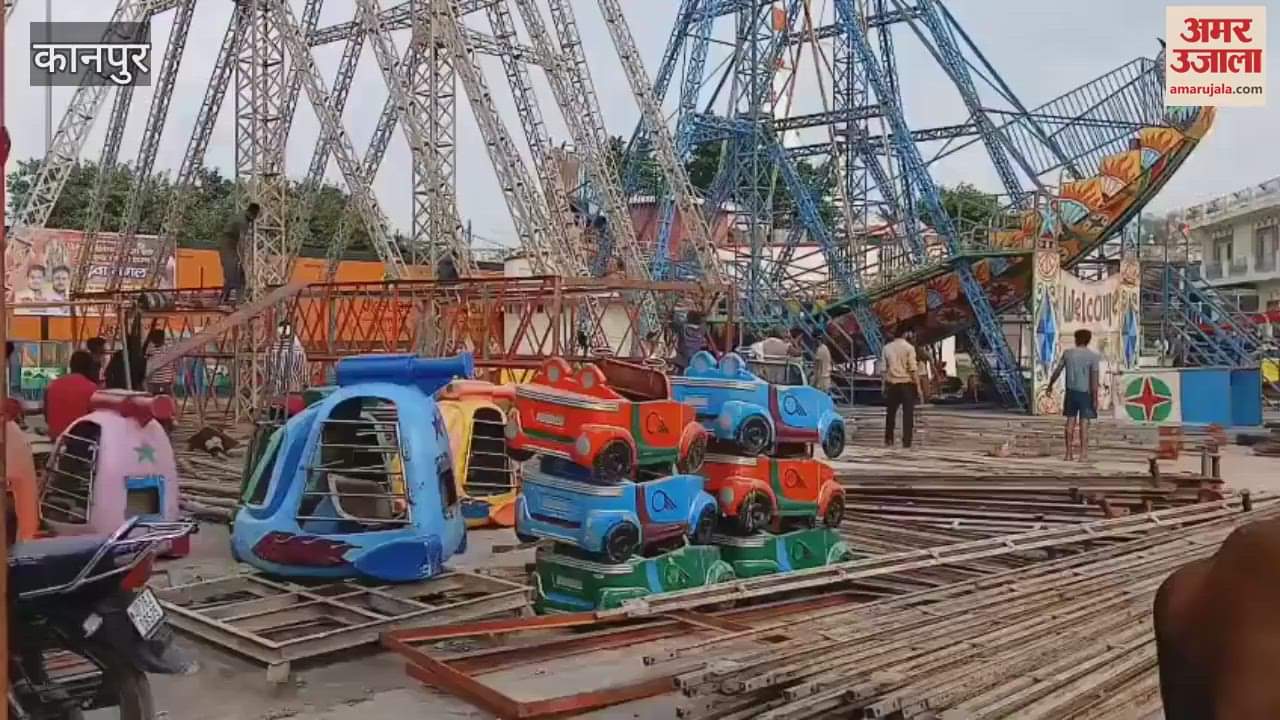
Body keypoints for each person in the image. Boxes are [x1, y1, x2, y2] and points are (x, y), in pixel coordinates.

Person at [1047, 328, 1101, 462]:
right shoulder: (1093, 356)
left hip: (1070, 392)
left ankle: (1068, 453)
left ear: (1076, 339)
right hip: (1085, 394)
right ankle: (1083, 455)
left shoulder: (1067, 354)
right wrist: (1095, 398)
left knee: (1070, 422)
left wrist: (1050, 384)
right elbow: (1094, 380)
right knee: (1084, 423)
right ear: (1088, 340)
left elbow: (1057, 371)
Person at [881, 328, 923, 448]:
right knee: (908, 415)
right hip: (907, 385)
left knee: (890, 414)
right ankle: (907, 441)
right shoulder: (909, 348)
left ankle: (889, 439)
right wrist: (918, 387)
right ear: (905, 334)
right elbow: (913, 369)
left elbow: (883, 370)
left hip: (892, 385)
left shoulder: (886, 348)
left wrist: (883, 385)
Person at [44, 350, 100, 439]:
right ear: (89, 367)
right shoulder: (92, 389)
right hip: (81, 442)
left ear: (71, 366)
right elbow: (98, 421)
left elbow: (47, 418)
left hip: (56, 439)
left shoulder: (52, 385)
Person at [220, 202, 260, 304]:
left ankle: (226, 298)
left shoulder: (241, 215)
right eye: (255, 217)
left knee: (234, 274)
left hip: (229, 243)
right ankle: (235, 300)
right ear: (253, 214)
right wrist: (242, 259)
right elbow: (241, 242)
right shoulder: (243, 222)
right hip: (227, 244)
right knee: (234, 273)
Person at [669, 309, 708, 375]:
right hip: (695, 357)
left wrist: (673, 314)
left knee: (681, 371)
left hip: (683, 357)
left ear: (688, 319)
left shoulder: (683, 328)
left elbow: (674, 324)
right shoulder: (702, 329)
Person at [143, 329, 176, 396]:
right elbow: (173, 364)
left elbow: (148, 364)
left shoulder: (150, 349)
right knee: (168, 401)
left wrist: (146, 379)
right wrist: (173, 377)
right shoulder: (168, 348)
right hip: (166, 381)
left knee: (153, 401)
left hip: (154, 381)